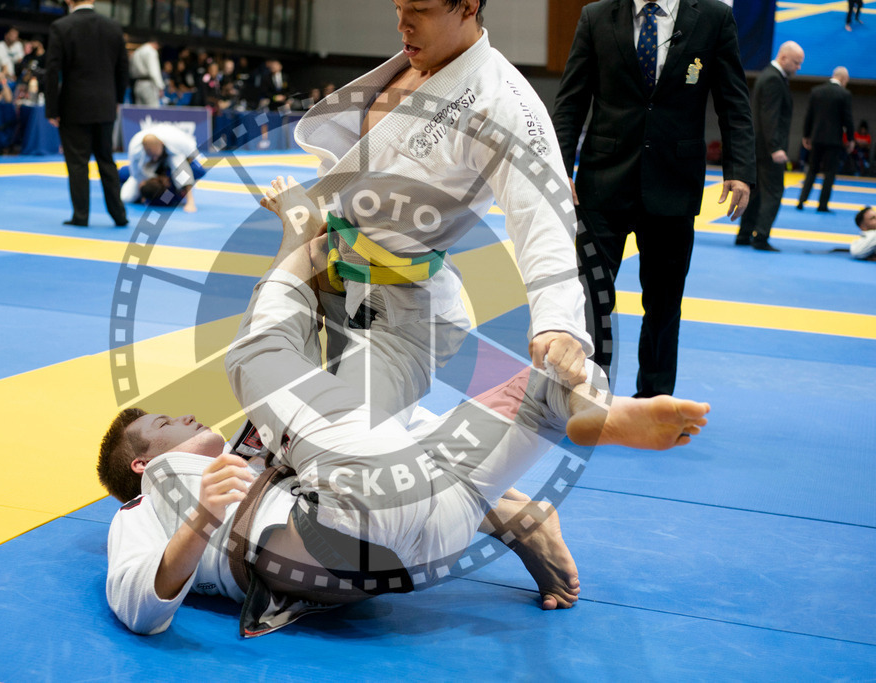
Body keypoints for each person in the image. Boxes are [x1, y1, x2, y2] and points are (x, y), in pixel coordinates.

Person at [99, 178, 711, 637]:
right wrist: (200, 519)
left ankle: (586, 411)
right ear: (141, 465)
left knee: (543, 388)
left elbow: (356, 407)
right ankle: (349, 250)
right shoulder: (148, 504)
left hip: (424, 527)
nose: (183, 417)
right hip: (348, 526)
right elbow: (141, 608)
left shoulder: (255, 451)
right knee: (256, 354)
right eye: (162, 426)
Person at [288, 0, 593, 438]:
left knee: (345, 450)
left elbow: (540, 214)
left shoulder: (501, 99)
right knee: (318, 423)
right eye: (397, 6)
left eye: (420, 9)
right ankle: (505, 507)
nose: (402, 24)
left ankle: (486, 489)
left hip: (402, 313)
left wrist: (558, 322)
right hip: (341, 283)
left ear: (468, 5)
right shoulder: (413, 63)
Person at [552, 0, 755, 398]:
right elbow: (570, 100)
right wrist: (560, 170)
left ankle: (655, 398)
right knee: (591, 298)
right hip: (601, 182)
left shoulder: (713, 17)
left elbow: (733, 100)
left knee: (664, 304)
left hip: (674, 184)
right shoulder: (596, 16)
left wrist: (740, 170)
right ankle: (588, 394)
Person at [45, 0, 129, 228]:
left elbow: (52, 70)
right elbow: (123, 67)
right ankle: (119, 215)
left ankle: (80, 216)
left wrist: (51, 108)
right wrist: (118, 99)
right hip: (105, 103)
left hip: (74, 105)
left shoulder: (61, 26)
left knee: (77, 163)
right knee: (107, 161)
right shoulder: (113, 27)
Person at [736, 41, 804, 252]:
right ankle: (761, 236)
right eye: (796, 62)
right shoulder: (774, 79)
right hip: (768, 148)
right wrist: (776, 147)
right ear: (783, 58)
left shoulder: (770, 76)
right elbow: (770, 116)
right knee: (773, 192)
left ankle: (745, 234)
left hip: (759, 147)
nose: (798, 67)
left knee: (755, 193)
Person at [796, 67, 854, 214]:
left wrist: (806, 135)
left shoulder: (816, 91)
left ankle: (802, 200)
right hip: (834, 141)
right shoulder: (844, 94)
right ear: (843, 79)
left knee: (812, 170)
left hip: (816, 138)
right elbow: (848, 119)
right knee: (830, 173)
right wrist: (851, 139)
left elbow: (808, 116)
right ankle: (822, 205)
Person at [120, 125, 207, 213]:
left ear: (161, 143)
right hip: (150, 171)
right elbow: (136, 174)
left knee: (177, 162)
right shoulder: (136, 148)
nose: (154, 158)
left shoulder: (179, 142)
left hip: (172, 162)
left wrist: (186, 193)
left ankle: (190, 200)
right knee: (127, 197)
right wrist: (142, 188)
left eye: (155, 155)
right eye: (151, 155)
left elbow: (195, 161)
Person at [129, 38, 163, 106]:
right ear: (155, 44)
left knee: (140, 111)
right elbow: (154, 72)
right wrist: (160, 86)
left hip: (137, 84)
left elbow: (131, 71)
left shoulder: (137, 51)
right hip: (148, 84)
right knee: (153, 110)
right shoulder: (151, 51)